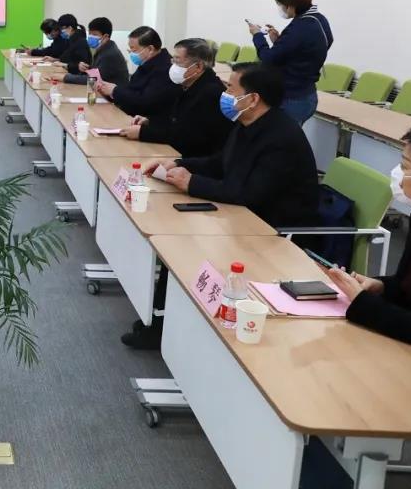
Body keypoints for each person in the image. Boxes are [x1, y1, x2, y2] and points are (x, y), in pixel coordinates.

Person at [126, 64, 319, 350]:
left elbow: (250, 194)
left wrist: (192, 183)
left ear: (253, 98)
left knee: (188, 246)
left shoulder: (281, 137)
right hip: (243, 216)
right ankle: (163, 323)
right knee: (179, 242)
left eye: (230, 88)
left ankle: (166, 327)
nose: (224, 93)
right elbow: (220, 163)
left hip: (272, 230)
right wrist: (178, 163)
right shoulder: (247, 123)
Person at [324, 125, 411, 348]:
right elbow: (410, 288)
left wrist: (362, 303)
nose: (398, 174)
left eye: (405, 166)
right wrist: (381, 287)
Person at [121, 38, 233, 157]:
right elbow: (175, 119)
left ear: (198, 66)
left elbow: (188, 136)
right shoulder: (187, 84)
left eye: (178, 61)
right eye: (173, 60)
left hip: (196, 158)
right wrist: (151, 121)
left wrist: (143, 133)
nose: (173, 66)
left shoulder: (211, 93)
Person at [247, 0, 333, 125]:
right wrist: (280, 42)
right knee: (291, 136)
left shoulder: (300, 27)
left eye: (280, 3)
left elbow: (268, 58)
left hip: (292, 99)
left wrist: (257, 36)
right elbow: (311, 47)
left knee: (282, 138)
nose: (281, 8)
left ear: (290, 4)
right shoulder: (319, 19)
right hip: (308, 94)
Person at [96, 26, 179, 117]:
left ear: (150, 49)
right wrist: (109, 91)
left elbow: (144, 102)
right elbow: (132, 90)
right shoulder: (147, 63)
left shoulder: (165, 69)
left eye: (134, 49)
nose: (130, 52)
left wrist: (115, 91)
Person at [63, 16, 129, 86]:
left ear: (105, 37)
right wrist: (86, 68)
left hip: (111, 92)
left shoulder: (109, 55)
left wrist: (65, 77)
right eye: (90, 34)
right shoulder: (104, 48)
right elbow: (97, 73)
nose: (90, 37)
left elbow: (94, 80)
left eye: (94, 34)